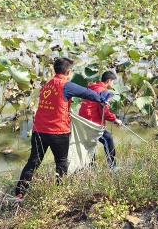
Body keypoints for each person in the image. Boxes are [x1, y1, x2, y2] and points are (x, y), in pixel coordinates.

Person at [15, 58, 112, 201]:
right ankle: (59, 194)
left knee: (33, 162)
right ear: (68, 72)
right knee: (61, 163)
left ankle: (19, 194)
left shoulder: (47, 85)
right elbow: (87, 93)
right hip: (58, 132)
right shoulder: (66, 85)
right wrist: (102, 98)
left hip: (39, 131)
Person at [79, 71, 122, 169]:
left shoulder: (91, 88)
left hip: (83, 121)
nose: (113, 84)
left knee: (91, 143)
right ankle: (113, 166)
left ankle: (90, 167)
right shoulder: (103, 91)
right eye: (113, 82)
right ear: (109, 81)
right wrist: (115, 120)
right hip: (92, 122)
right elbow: (104, 112)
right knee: (108, 139)